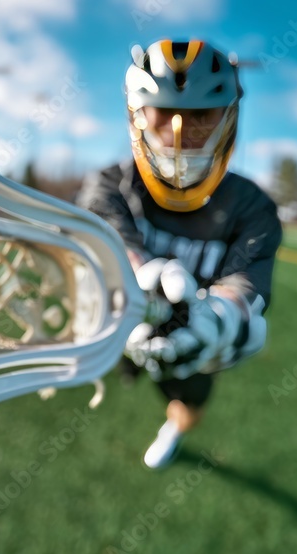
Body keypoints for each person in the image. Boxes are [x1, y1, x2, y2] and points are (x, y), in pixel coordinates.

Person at [76, 39, 282, 469]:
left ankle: (175, 427)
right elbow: (111, 238)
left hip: (193, 340)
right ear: (137, 115)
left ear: (227, 117)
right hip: (124, 328)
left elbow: (246, 281)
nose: (178, 132)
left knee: (190, 405)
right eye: (163, 112)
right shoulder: (108, 185)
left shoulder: (252, 208)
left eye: (200, 116)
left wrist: (223, 319)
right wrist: (136, 277)